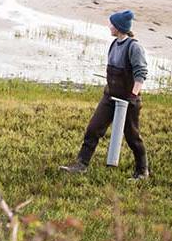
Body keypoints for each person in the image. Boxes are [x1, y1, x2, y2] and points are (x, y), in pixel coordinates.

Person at [60, 10, 149, 180]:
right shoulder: (114, 43)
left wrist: (132, 96)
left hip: (128, 100)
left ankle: (142, 171)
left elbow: (141, 73)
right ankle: (81, 164)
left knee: (132, 136)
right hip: (110, 96)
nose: (109, 27)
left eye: (112, 24)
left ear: (119, 27)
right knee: (93, 128)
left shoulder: (134, 47)